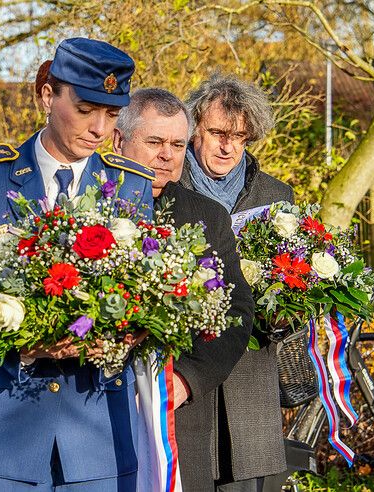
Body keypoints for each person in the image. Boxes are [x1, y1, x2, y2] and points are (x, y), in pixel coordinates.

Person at [0, 37, 154, 491]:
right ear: (48, 95)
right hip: (3, 436)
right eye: (85, 109)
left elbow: (144, 297)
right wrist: (26, 346)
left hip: (98, 438)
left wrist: (131, 332)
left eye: (112, 114)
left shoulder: (130, 184)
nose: (100, 128)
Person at [113, 88, 254, 491]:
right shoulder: (85, 206)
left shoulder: (207, 216)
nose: (167, 155)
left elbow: (236, 310)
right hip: (95, 414)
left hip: (178, 416)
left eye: (177, 144)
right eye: (154, 142)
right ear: (120, 141)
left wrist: (188, 379)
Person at [167, 75, 292, 491]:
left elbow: (297, 284)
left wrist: (285, 312)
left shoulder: (277, 196)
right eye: (218, 133)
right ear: (193, 128)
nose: (228, 147)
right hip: (187, 381)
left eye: (240, 137)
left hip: (252, 386)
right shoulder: (165, 186)